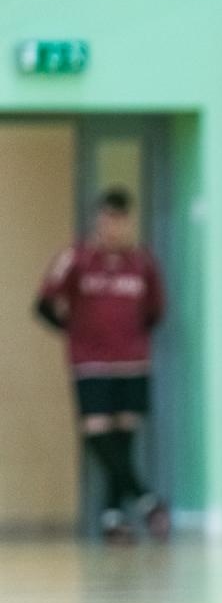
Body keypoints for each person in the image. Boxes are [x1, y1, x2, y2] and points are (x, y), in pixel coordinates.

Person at [34, 186, 170, 542]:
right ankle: (146, 500)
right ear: (98, 220)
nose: (115, 227)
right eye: (108, 219)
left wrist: (131, 340)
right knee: (96, 433)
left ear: (129, 222)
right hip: (90, 362)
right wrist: (74, 331)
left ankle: (113, 518)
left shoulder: (143, 263)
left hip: (132, 362)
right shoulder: (76, 258)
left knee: (123, 439)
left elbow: (155, 312)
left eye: (121, 220)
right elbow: (44, 303)